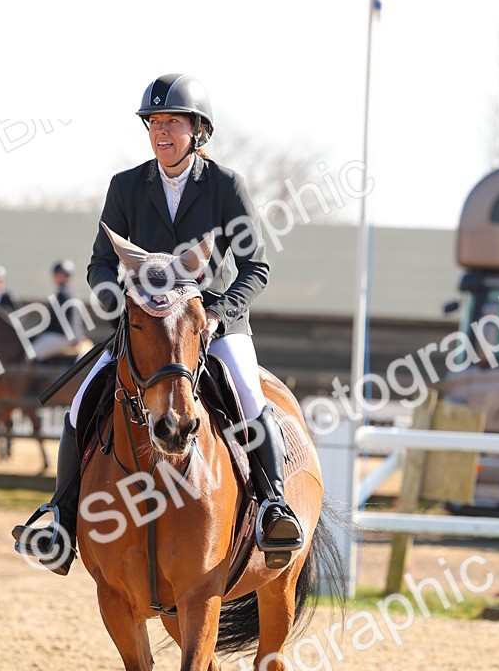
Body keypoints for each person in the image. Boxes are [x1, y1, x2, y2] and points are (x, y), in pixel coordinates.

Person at [17, 72, 303, 574]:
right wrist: (121, 305)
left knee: (250, 397)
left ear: (199, 130)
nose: (161, 132)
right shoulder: (126, 186)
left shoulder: (225, 186)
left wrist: (217, 312)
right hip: (146, 329)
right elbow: (100, 265)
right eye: (153, 122)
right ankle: (62, 521)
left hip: (211, 327)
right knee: (82, 401)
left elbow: (255, 266)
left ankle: (275, 505)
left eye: (172, 121)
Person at [30, 259, 91, 361]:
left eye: (58, 274)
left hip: (63, 335)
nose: (55, 277)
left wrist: (40, 333)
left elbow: (54, 320)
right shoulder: (71, 291)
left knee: (31, 353)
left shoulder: (64, 293)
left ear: (64, 275)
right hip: (71, 334)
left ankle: (39, 376)